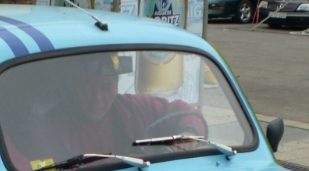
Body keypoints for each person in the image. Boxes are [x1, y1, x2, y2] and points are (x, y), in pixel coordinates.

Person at [26, 53, 206, 163]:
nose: (97, 99)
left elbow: (185, 112)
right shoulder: (51, 127)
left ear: (117, 85)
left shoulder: (132, 108)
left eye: (106, 87)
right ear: (73, 87)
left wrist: (187, 136)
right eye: (87, 88)